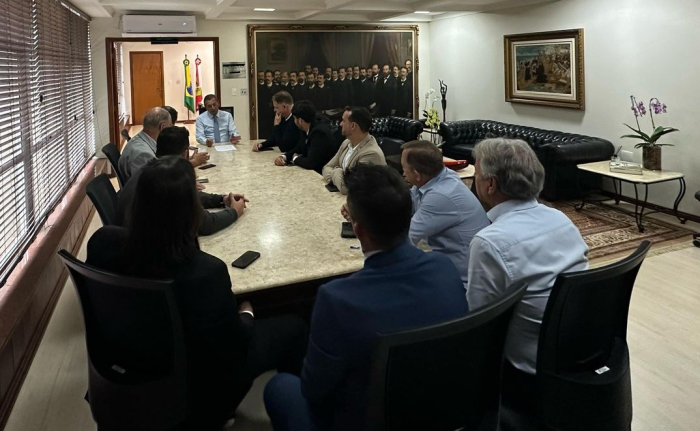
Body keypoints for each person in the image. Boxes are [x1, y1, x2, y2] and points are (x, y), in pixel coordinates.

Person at [87, 156, 308, 431]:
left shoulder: (102, 243)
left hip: (123, 372)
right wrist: (247, 313)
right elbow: (236, 341)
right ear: (192, 211)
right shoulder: (206, 272)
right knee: (295, 327)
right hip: (195, 392)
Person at [263, 164, 468, 431]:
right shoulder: (445, 267)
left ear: (357, 230)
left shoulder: (337, 299)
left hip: (363, 420)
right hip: (441, 412)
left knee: (279, 387)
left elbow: (313, 389)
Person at [467, 138, 589, 429]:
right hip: (576, 351)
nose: (474, 179)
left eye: (476, 173)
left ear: (490, 184)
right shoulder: (560, 219)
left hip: (526, 370)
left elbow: (480, 324)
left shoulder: (489, 242)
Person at [116, 126, 246, 236]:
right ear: (185, 153)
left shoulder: (151, 167)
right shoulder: (170, 177)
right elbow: (205, 224)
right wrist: (234, 211)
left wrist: (221, 199)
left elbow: (188, 197)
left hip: (131, 239)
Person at [400, 140, 490, 292]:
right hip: (449, 266)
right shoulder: (439, 176)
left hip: (463, 283)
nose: (403, 174)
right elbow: (406, 202)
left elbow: (405, 240)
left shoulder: (441, 196)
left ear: (417, 174)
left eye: (404, 168)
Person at [322, 107, 386, 194]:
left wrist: (337, 170)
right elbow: (326, 167)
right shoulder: (346, 143)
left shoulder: (371, 154)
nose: (340, 124)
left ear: (353, 126)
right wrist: (338, 178)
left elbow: (347, 188)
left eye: (343, 121)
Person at [274, 100, 336, 174]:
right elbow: (298, 149)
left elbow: (310, 163)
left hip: (321, 175)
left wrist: (295, 158)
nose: (294, 121)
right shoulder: (305, 129)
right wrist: (284, 157)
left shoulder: (319, 133)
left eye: (294, 118)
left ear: (300, 120)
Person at [118, 107, 172, 182]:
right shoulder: (143, 155)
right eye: (170, 126)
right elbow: (152, 185)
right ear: (162, 127)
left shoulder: (139, 139)